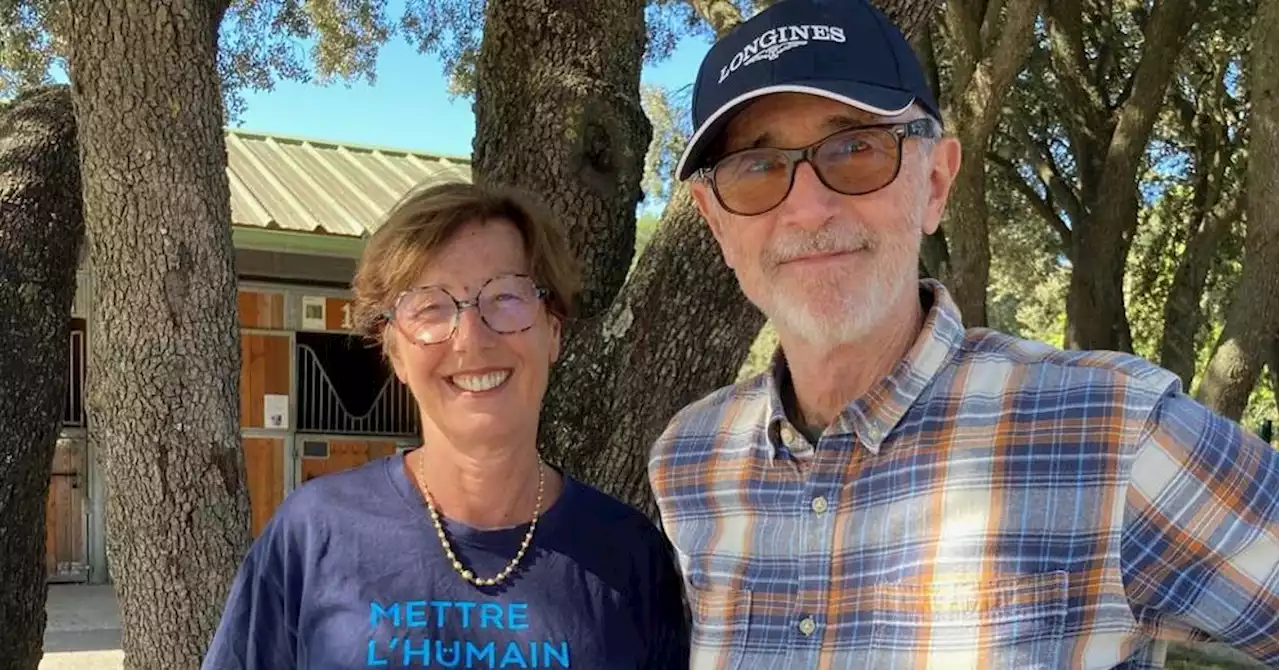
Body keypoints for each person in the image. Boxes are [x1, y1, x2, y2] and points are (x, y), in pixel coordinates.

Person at [647, 0, 1280, 668]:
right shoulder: (689, 462)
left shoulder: (1117, 434)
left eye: (857, 148)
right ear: (716, 224)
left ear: (936, 182)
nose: (807, 208)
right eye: (756, 166)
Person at [204, 182, 689, 669]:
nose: (471, 339)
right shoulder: (312, 534)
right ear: (394, 351)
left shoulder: (629, 553)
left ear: (553, 333)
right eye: (431, 308)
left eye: (505, 297)